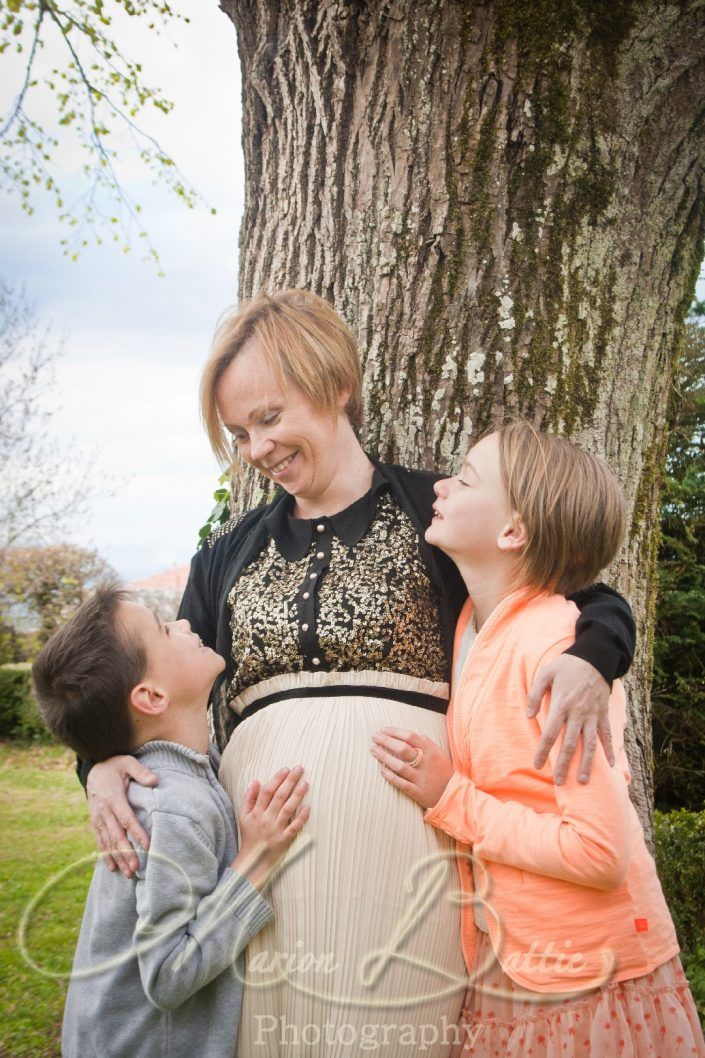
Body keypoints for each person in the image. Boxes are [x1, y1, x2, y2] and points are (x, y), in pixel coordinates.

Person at [83, 290, 636, 1057]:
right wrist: (102, 761)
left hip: (413, 868)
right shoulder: (225, 556)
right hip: (263, 873)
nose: (256, 449)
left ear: (335, 385)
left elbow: (586, 589)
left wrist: (591, 659)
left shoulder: (437, 512)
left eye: (269, 418)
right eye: (240, 433)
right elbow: (151, 687)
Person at [371, 422, 705, 1057]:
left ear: (513, 532)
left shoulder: (556, 650)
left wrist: (453, 798)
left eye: (465, 478)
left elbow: (600, 852)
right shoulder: (477, 622)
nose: (440, 485)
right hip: (517, 959)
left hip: (587, 976)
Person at [32, 584, 310, 1058]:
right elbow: (168, 973)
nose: (185, 623)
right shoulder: (171, 805)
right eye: (166, 629)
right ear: (152, 696)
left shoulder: (192, 776)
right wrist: (256, 859)